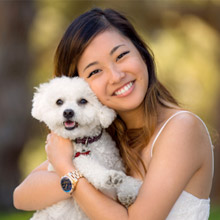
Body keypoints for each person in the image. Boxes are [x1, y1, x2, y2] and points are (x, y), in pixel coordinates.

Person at [13, 8, 214, 219]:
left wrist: (67, 170)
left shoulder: (182, 128)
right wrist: (75, 176)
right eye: (95, 71)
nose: (116, 76)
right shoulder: (104, 137)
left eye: (121, 56)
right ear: (80, 85)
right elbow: (22, 197)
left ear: (142, 52)